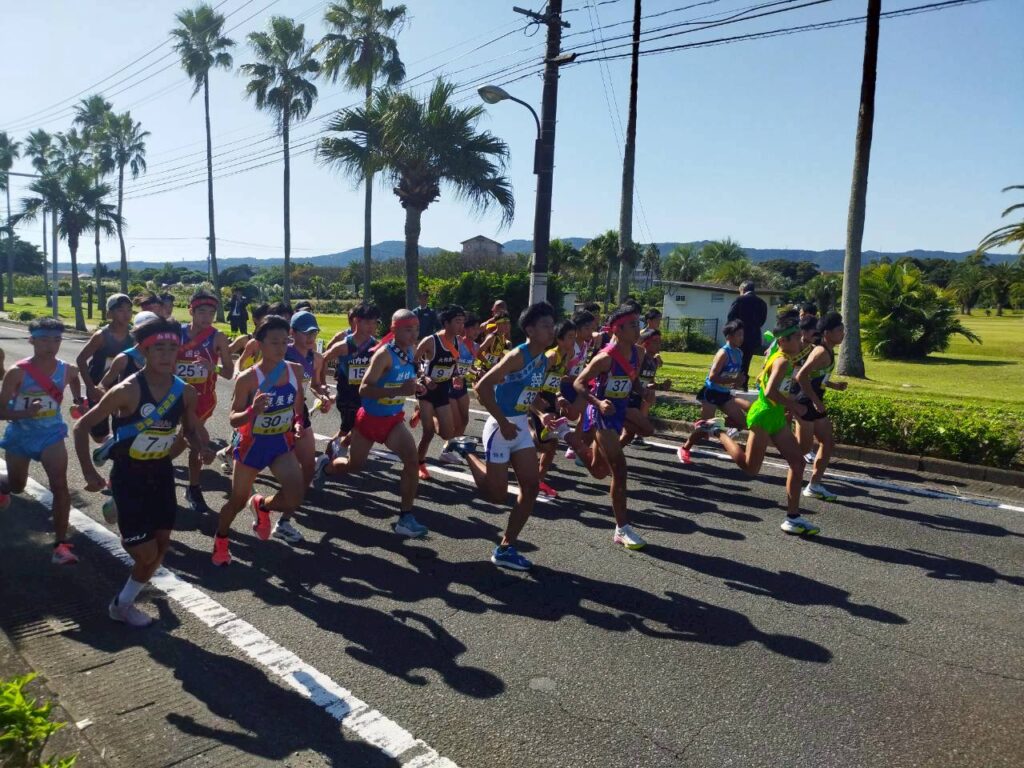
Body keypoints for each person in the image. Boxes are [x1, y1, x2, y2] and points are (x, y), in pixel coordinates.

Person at [74, 316, 211, 626]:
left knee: (161, 546)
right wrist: (89, 473)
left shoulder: (185, 392)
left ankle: (122, 605)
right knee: (146, 553)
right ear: (144, 351)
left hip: (161, 473)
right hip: (128, 476)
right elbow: (81, 426)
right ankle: (124, 517)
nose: (166, 355)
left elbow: (190, 429)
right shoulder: (126, 390)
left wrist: (200, 446)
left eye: (172, 349)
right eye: (158, 348)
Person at [450, 302, 556, 571]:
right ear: (530, 330)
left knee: (530, 488)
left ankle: (506, 547)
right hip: (501, 427)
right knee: (497, 496)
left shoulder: (544, 359)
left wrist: (541, 412)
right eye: (545, 326)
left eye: (552, 325)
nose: (551, 330)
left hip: (519, 427)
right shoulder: (517, 356)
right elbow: (482, 387)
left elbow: (527, 394)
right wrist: (502, 421)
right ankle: (466, 451)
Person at [313, 310, 429, 538]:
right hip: (368, 421)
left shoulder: (410, 351)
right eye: (408, 329)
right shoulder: (383, 354)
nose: (414, 334)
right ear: (394, 330)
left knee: (411, 460)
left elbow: (409, 377)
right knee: (354, 465)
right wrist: (399, 390)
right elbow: (364, 389)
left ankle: (405, 518)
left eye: (416, 329)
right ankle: (325, 467)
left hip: (393, 420)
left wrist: (421, 384)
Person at [708, 312, 818, 536]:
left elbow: (776, 387)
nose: (801, 341)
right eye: (797, 337)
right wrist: (794, 406)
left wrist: (789, 403)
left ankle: (793, 518)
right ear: (783, 341)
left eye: (801, 336)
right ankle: (718, 431)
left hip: (775, 415)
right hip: (765, 416)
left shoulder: (784, 356)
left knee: (798, 463)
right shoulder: (782, 360)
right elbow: (769, 392)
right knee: (750, 468)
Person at [212, 316, 307, 565]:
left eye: (284, 342)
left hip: (280, 444)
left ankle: (262, 505)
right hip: (251, 446)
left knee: (295, 495)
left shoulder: (295, 371)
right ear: (260, 344)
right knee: (237, 501)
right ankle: (221, 539)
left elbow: (298, 407)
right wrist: (252, 411)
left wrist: (297, 423)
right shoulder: (248, 378)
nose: (281, 347)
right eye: (274, 342)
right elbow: (233, 419)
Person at [0, 318, 83, 565]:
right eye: (44, 339)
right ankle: (3, 486)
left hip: (51, 435)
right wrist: (26, 413)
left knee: (60, 486)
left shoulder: (67, 369)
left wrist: (78, 398)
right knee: (17, 486)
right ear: (32, 340)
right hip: (21, 436)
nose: (51, 346)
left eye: (56, 340)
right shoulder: (17, 372)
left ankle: (61, 546)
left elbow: (75, 378)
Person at [573, 305, 648, 551]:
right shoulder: (604, 358)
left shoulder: (639, 352)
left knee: (599, 470)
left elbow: (633, 380)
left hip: (621, 410)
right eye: (633, 325)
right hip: (603, 414)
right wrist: (597, 403)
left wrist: (643, 392)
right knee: (620, 470)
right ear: (617, 329)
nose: (638, 330)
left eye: (639, 324)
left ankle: (580, 448)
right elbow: (579, 383)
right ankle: (622, 529)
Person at [171, 290, 234, 513]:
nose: (207, 317)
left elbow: (229, 372)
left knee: (188, 437)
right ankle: (160, 470)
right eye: (202, 312)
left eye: (211, 313)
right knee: (196, 438)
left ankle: (192, 487)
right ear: (191, 311)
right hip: (174, 396)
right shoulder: (176, 334)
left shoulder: (218, 337)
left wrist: (212, 367)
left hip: (202, 399)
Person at [280, 310, 333, 543]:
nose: (311, 337)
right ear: (292, 333)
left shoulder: (316, 358)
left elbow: (315, 384)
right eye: (306, 333)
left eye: (314, 332)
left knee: (308, 465)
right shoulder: (282, 353)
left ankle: (286, 517)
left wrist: (323, 395)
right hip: (275, 412)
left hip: (299, 414)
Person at [793, 311, 848, 503]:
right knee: (802, 450)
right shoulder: (821, 352)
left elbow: (817, 376)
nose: (843, 333)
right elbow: (801, 376)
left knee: (828, 442)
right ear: (827, 333)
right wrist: (816, 401)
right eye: (839, 330)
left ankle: (814, 485)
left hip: (815, 403)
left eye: (843, 330)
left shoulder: (828, 350)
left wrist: (833, 385)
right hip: (806, 403)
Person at [677, 320, 749, 464]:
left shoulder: (739, 353)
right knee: (704, 430)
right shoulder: (723, 353)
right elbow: (713, 377)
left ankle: (722, 429)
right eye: (738, 335)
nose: (742, 338)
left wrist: (738, 382)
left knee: (743, 422)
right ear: (729, 336)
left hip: (724, 394)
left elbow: (733, 377)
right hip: (711, 393)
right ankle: (685, 448)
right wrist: (732, 380)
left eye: (743, 335)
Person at [322, 303, 380, 459]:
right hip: (347, 395)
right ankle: (328, 456)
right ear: (356, 321)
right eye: (367, 322)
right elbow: (322, 360)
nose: (371, 327)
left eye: (374, 322)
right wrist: (321, 383)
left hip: (365, 395)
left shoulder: (375, 345)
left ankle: (338, 450)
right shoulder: (344, 345)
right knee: (348, 428)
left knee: (361, 427)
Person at [413, 305, 466, 477]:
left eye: (462, 322)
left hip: (443, 389)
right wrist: (423, 377)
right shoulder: (430, 341)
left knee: (447, 433)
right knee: (428, 433)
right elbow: (413, 361)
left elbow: (453, 363)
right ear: (446, 323)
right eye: (457, 322)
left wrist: (456, 375)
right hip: (426, 390)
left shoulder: (458, 341)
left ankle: (425, 414)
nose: (461, 326)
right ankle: (420, 464)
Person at [532, 319, 582, 498]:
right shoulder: (551, 356)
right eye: (570, 337)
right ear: (559, 339)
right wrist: (538, 399)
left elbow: (556, 381)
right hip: (539, 400)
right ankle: (522, 445)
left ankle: (538, 481)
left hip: (551, 400)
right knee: (546, 444)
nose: (573, 341)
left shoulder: (566, 356)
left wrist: (559, 396)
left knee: (551, 445)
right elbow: (535, 378)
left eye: (575, 337)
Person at [76, 293, 134, 442]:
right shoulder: (101, 336)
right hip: (98, 387)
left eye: (129, 310)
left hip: (121, 389)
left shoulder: (133, 337)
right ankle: (87, 412)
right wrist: (90, 387)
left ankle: (113, 450)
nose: (126, 314)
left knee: (121, 429)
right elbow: (81, 360)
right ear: (110, 314)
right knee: (99, 435)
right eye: (120, 310)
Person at [621, 328, 663, 447]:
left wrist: (660, 386)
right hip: (628, 398)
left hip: (639, 398)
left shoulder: (654, 361)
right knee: (640, 430)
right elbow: (633, 379)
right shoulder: (640, 359)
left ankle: (611, 454)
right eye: (655, 341)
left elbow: (649, 382)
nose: (659, 344)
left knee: (629, 434)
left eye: (660, 341)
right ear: (645, 343)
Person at [446, 312, 481, 451]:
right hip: (449, 385)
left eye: (478, 329)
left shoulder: (476, 347)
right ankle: (448, 449)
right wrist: (454, 375)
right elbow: (448, 362)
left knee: (464, 420)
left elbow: (468, 367)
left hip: (462, 385)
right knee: (456, 422)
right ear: (465, 328)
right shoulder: (457, 342)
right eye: (473, 328)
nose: (477, 331)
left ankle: (453, 448)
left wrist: (476, 371)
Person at [727, 281, 768, 391]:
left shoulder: (739, 300)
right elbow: (762, 320)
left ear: (742, 289)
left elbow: (731, 317)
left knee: (734, 360)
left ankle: (732, 383)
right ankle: (743, 384)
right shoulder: (762, 303)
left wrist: (730, 333)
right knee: (746, 362)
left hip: (738, 336)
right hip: (753, 337)